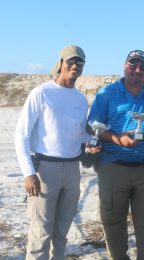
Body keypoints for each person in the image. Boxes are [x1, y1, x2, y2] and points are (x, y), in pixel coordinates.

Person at [87, 49, 144, 259]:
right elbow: (92, 126)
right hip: (112, 167)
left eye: (142, 67)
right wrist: (117, 139)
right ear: (124, 66)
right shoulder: (106, 93)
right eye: (132, 65)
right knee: (113, 222)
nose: (137, 71)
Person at [15, 45, 98, 259]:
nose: (75, 66)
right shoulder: (41, 93)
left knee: (62, 231)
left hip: (72, 170)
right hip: (44, 170)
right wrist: (28, 173)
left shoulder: (80, 99)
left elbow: (79, 134)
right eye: (70, 61)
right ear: (60, 63)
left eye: (80, 63)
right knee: (41, 231)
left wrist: (92, 141)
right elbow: (21, 135)